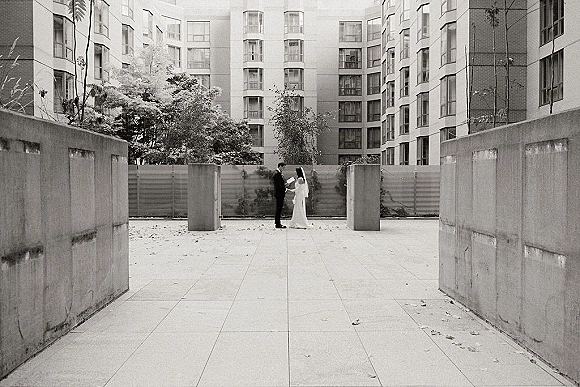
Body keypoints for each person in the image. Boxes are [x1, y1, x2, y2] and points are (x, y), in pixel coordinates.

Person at [272, 162, 287, 228]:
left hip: (279, 193)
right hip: (279, 193)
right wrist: (285, 186)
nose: (283, 169)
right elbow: (279, 185)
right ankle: (278, 223)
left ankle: (277, 222)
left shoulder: (277, 173)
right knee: (279, 208)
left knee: (279, 208)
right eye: (283, 167)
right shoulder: (277, 174)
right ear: (280, 166)